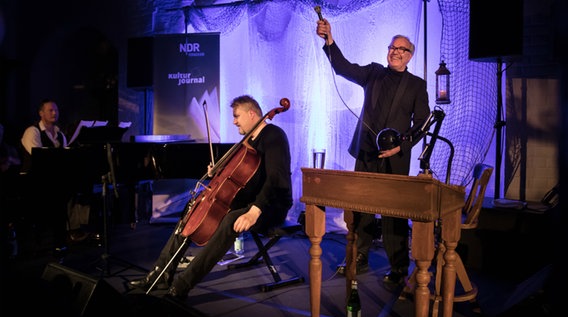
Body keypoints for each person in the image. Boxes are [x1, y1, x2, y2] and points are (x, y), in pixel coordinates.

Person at [128, 95, 293, 300]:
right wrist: (219, 172)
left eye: (236, 116)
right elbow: (241, 176)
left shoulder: (274, 135)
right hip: (248, 200)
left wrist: (254, 212)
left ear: (252, 114)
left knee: (230, 221)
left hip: (271, 205)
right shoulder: (248, 141)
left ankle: (182, 285)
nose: (234, 121)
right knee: (193, 209)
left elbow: (276, 180)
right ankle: (159, 274)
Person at [316, 20, 430, 289]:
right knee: (362, 208)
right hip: (366, 152)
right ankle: (361, 256)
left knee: (393, 214)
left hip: (395, 158)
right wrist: (329, 39)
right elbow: (343, 67)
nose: (395, 52)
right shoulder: (374, 73)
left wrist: (401, 146)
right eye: (392, 47)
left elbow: (422, 123)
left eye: (401, 49)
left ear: (409, 55)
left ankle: (399, 267)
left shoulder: (416, 85)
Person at [20, 99, 88, 259]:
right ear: (41, 113)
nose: (54, 113)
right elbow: (39, 157)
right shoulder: (33, 131)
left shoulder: (59, 134)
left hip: (51, 180)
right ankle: (47, 242)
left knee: (76, 188)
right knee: (55, 195)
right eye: (50, 110)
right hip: (32, 179)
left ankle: (65, 236)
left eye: (55, 110)